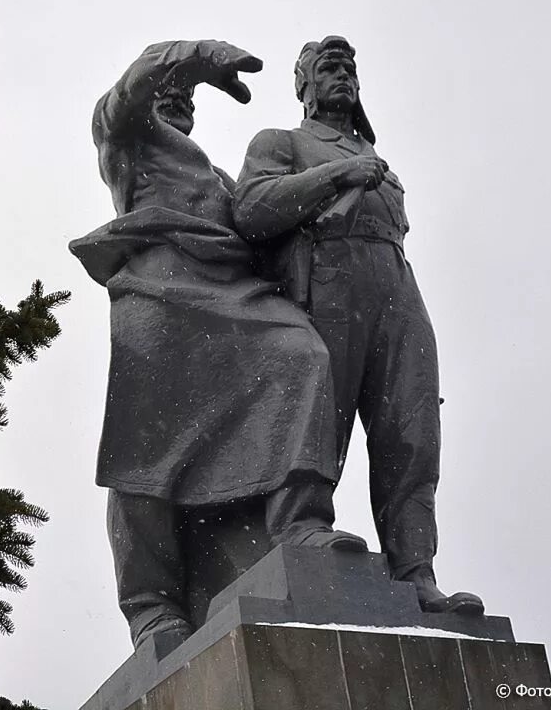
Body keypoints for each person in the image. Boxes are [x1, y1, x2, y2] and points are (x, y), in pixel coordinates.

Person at [70, 40, 365, 654]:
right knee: (146, 447)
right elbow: (132, 89)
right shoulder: (123, 137)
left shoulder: (216, 175)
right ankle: (151, 605)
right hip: (160, 291)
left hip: (234, 296)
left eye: (183, 94)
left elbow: (260, 226)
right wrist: (194, 58)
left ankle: (299, 525)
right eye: (166, 91)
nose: (174, 100)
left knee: (303, 357)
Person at [234, 35, 484, 615]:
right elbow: (252, 208)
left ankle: (415, 569)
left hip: (395, 280)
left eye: (349, 67)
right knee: (322, 407)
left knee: (412, 429)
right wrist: (343, 173)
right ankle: (301, 527)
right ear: (303, 85)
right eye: (328, 66)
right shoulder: (283, 141)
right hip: (328, 275)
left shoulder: (381, 161)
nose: (342, 75)